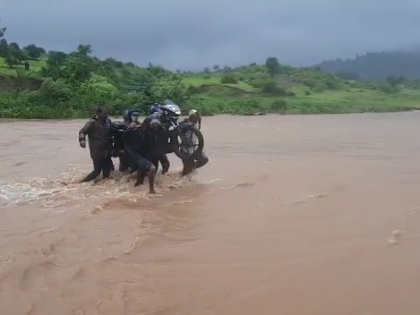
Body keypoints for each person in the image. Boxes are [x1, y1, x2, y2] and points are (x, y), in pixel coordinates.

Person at [79, 106, 114, 182]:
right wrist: (82, 140)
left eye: (107, 113)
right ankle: (82, 183)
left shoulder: (108, 122)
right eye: (104, 113)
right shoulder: (92, 122)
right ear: (98, 113)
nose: (106, 115)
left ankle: (103, 188)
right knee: (97, 171)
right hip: (96, 150)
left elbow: (113, 131)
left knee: (107, 172)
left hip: (106, 150)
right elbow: (82, 131)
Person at [123, 119, 157, 194]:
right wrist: (129, 129)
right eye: (153, 126)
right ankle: (151, 190)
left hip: (143, 155)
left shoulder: (151, 132)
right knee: (152, 168)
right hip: (135, 155)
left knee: (140, 181)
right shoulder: (135, 131)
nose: (154, 128)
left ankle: (133, 190)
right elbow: (125, 139)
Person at [181, 109, 208, 176]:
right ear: (191, 117)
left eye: (197, 117)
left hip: (194, 148)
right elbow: (180, 127)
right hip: (185, 150)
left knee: (204, 159)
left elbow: (199, 119)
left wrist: (199, 123)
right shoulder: (185, 124)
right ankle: (179, 181)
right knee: (186, 172)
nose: (197, 119)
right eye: (195, 117)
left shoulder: (195, 123)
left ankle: (191, 168)